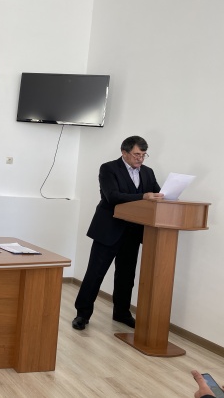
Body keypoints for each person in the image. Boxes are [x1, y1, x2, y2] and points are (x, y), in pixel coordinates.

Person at [72, 136, 163, 330]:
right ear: (124, 152)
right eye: (137, 154)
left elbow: (157, 194)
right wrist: (143, 196)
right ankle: (82, 314)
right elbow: (112, 196)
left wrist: (168, 195)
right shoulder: (108, 168)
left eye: (144, 155)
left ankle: (121, 313)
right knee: (95, 273)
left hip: (133, 232)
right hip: (108, 230)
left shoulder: (148, 172)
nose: (140, 159)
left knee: (126, 276)